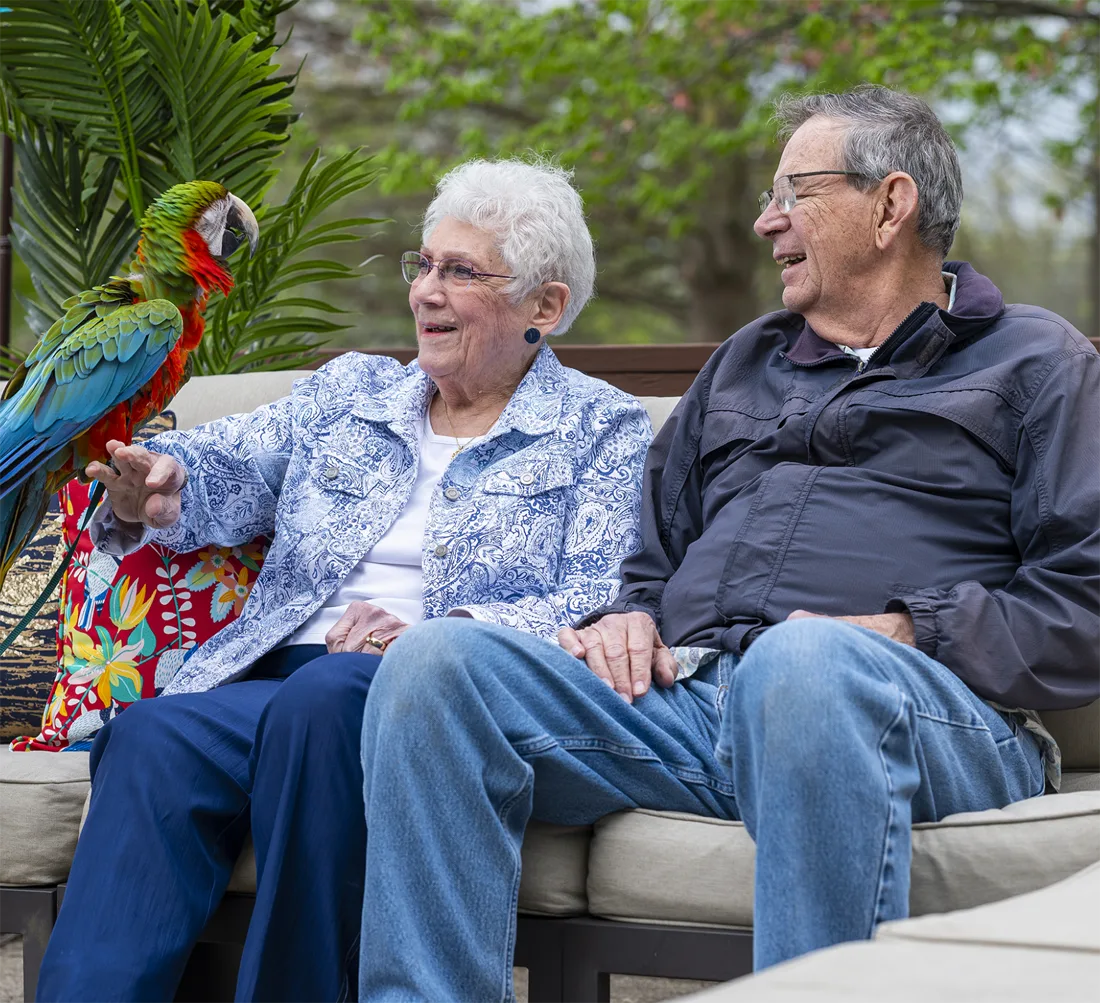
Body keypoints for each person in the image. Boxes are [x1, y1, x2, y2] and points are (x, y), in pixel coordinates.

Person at [357, 83, 1100, 999]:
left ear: (889, 206)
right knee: (439, 666)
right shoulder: (746, 360)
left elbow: (1084, 603)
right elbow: (652, 557)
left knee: (806, 660)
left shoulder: (1036, 362)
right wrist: (623, 617)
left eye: (793, 194)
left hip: (922, 712)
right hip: (704, 701)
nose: (765, 222)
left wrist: (911, 630)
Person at [36, 159, 652, 1002]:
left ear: (543, 306)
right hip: (276, 676)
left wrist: (441, 637)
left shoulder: (601, 426)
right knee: (153, 737)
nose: (426, 292)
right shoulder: (350, 392)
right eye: (424, 265)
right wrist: (165, 482)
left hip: (429, 700)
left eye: (460, 272)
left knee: (324, 703)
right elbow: (227, 465)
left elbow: (599, 589)